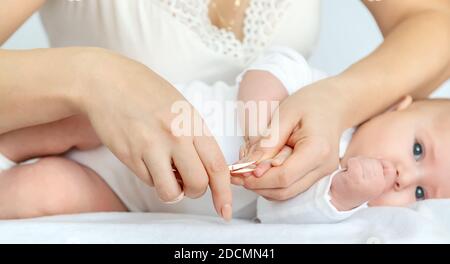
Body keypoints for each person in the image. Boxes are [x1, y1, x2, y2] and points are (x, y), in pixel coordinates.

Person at [0, 1, 449, 220]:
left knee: (43, 195)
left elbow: (436, 20)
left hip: (130, 197)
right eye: (415, 150)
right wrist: (266, 118)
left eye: (420, 194)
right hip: (98, 119)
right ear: (396, 105)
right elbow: (273, 67)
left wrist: (344, 189)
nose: (401, 178)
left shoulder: (334, 178)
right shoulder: (308, 85)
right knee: (48, 126)